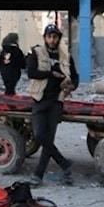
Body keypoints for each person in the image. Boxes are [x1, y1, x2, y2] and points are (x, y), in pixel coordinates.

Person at [26, 24, 78, 186]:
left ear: (58, 38)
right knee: (39, 135)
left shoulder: (66, 56)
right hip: (40, 99)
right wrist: (50, 73)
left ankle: (38, 175)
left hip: (57, 101)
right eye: (49, 36)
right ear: (45, 38)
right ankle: (64, 163)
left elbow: (75, 77)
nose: (52, 40)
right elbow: (31, 73)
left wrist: (72, 86)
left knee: (48, 139)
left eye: (55, 37)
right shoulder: (36, 52)